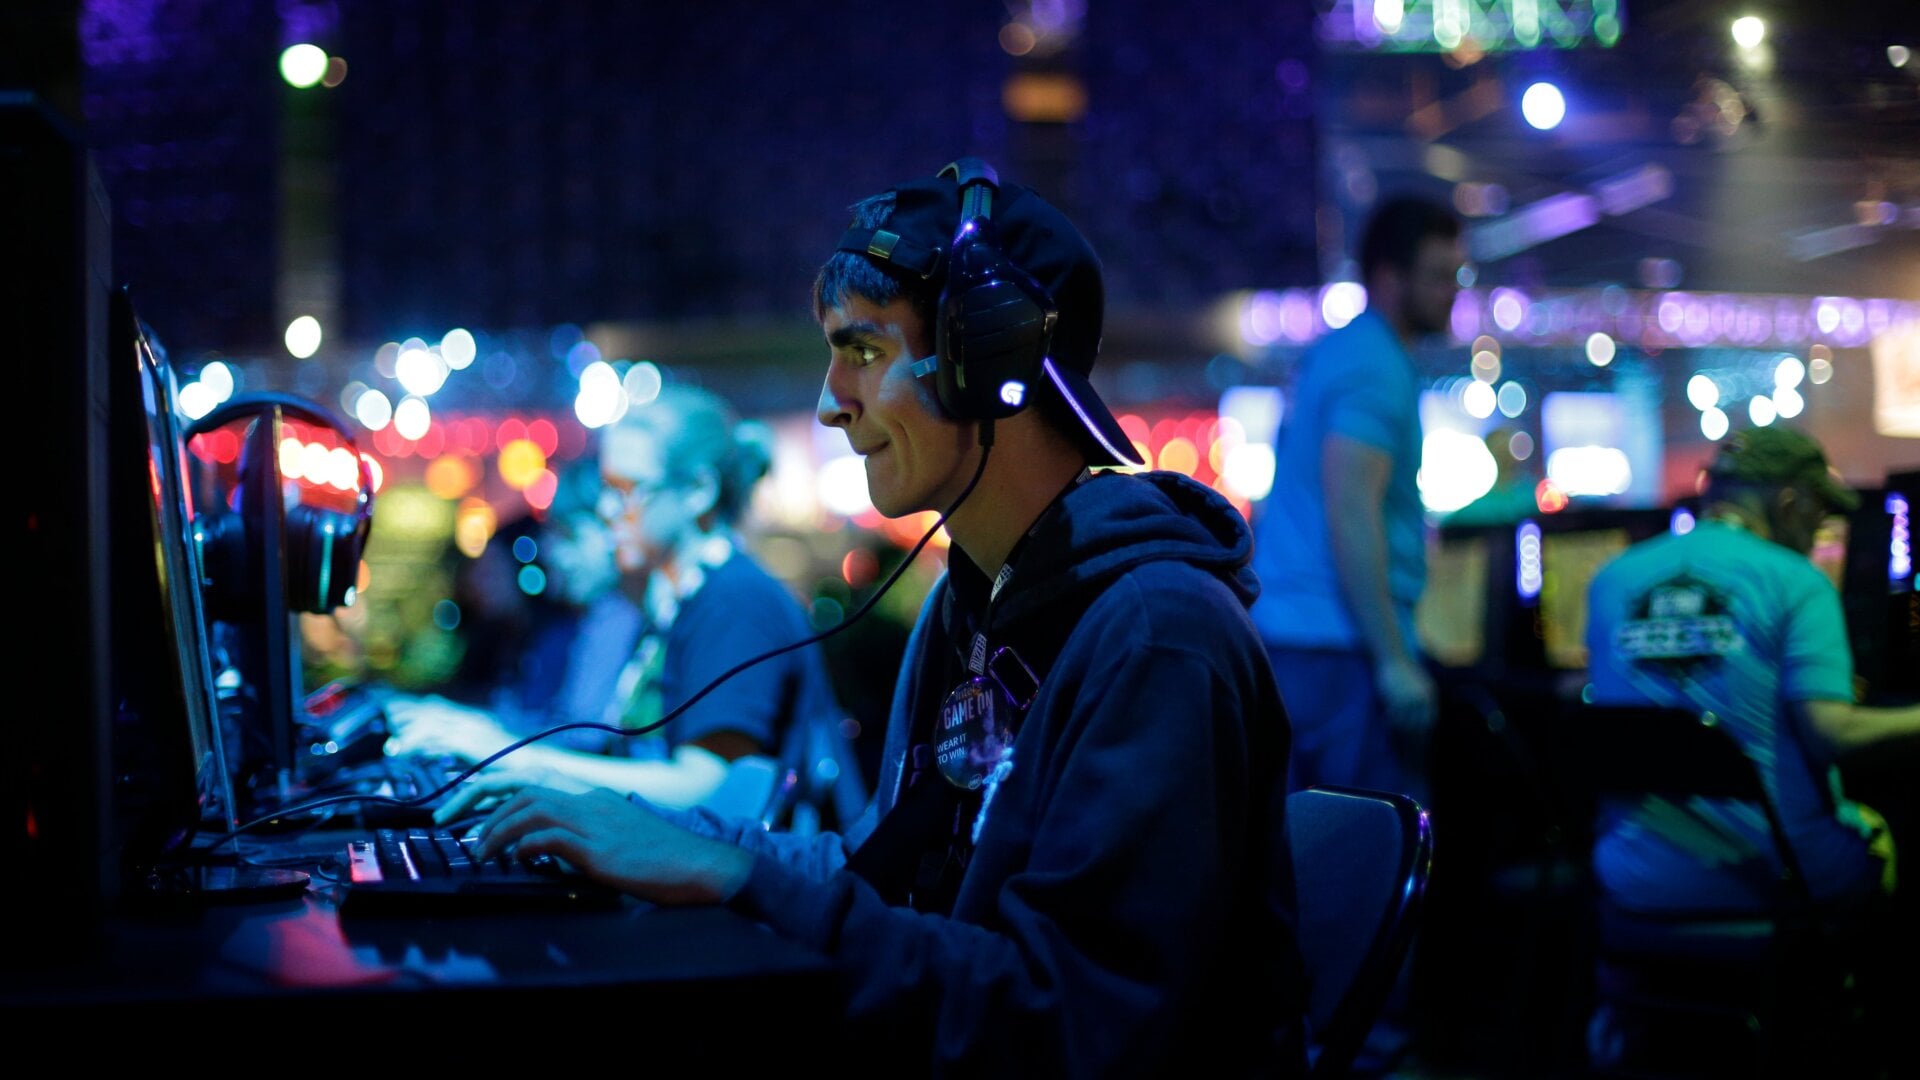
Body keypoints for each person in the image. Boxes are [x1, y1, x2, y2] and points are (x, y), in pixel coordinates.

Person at [473, 160, 1306, 1075]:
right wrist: (642, 831)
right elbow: (887, 872)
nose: (832, 403)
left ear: (987, 363)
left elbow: (1070, 1022)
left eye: (863, 351)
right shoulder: (970, 606)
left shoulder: (1155, 635)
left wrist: (736, 879)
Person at [389, 386, 842, 817]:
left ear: (698, 491)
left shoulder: (734, 602)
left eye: (627, 490)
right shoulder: (680, 600)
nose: (607, 510)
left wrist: (518, 760)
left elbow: (706, 790)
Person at [1584, 426, 1914, 916]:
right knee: (1884, 831)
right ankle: (1837, 988)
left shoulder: (1611, 578)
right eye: (1819, 513)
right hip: (1772, 873)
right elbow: (1834, 734)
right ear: (1788, 503)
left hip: (1632, 875)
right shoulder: (1798, 582)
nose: (1821, 531)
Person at [1249, 196, 1462, 798]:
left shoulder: (1340, 352)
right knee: (1368, 864)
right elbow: (1352, 509)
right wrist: (1394, 662)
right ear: (1390, 279)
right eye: (1439, 275)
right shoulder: (1374, 365)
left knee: (1308, 858)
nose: (1453, 291)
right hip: (1340, 651)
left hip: (1297, 642)